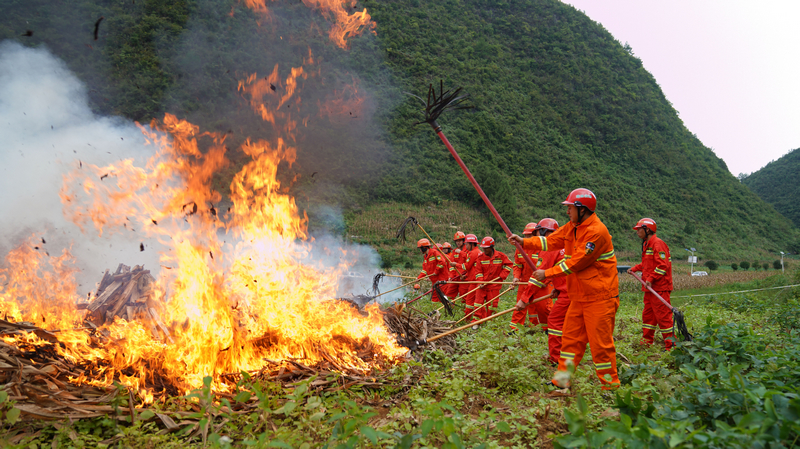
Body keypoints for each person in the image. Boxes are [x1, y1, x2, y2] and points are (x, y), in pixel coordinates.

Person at [509, 188, 621, 390]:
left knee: (600, 345)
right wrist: (524, 242)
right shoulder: (573, 227)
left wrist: (548, 274)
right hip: (579, 296)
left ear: (582, 209)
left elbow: (576, 263)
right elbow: (550, 241)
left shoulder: (596, 232)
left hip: (599, 297)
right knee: (570, 341)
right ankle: (561, 381)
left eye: (570, 207)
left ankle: (610, 387)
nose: (567, 212)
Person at [628, 218, 674, 350]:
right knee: (648, 317)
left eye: (639, 229)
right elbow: (647, 264)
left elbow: (663, 265)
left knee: (663, 318)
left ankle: (671, 346)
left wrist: (652, 278)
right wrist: (635, 268)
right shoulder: (647, 244)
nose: (637, 232)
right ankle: (646, 343)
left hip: (660, 288)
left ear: (647, 230)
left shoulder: (657, 244)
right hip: (649, 289)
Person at [472, 236, 513, 324]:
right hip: (482, 285)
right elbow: (478, 271)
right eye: (483, 248)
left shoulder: (500, 256)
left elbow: (509, 264)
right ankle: (476, 321)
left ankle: (490, 322)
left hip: (494, 285)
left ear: (491, 247)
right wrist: (480, 282)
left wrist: (502, 275)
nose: (484, 250)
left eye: (486, 249)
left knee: (492, 305)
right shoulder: (480, 258)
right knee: (478, 303)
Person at [510, 222, 540, 332]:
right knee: (520, 305)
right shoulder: (520, 248)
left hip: (538, 282)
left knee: (538, 306)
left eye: (529, 236)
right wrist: (516, 277)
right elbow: (517, 265)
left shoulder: (541, 248)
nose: (527, 238)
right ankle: (514, 329)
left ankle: (537, 329)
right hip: (524, 281)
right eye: (525, 236)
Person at [457, 234, 482, 316]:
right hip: (475, 279)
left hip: (475, 281)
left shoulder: (473, 253)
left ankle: (467, 318)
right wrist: (466, 275)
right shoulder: (478, 252)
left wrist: (455, 265)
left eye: (467, 244)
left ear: (472, 244)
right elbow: (473, 268)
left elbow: (467, 266)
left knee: (469, 300)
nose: (466, 246)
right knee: (475, 300)